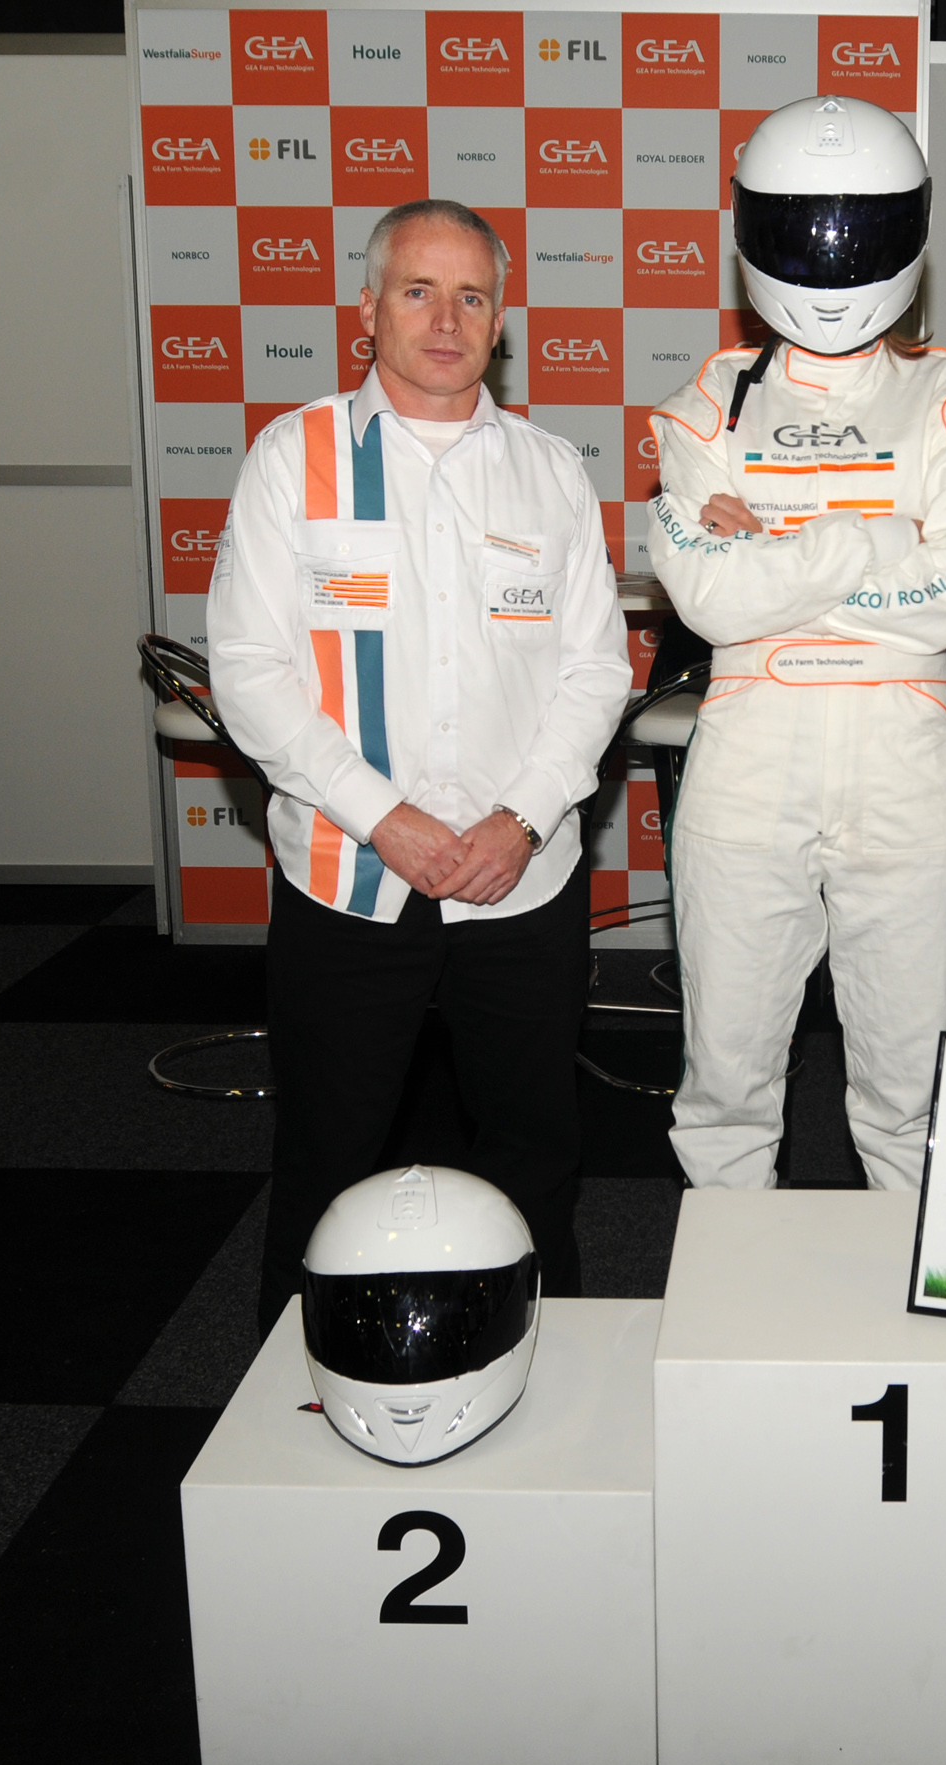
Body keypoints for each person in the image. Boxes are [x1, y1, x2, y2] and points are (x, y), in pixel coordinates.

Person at [208, 199, 632, 1335]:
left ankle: (559, 1391)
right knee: (324, 1164)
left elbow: (596, 673)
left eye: (473, 295)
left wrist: (524, 817)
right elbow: (247, 672)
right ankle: (293, 1412)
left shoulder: (549, 472)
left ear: (501, 320)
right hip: (349, 883)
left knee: (537, 1162)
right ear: (367, 310)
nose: (447, 319)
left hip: (520, 885)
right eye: (418, 290)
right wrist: (381, 816)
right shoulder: (289, 459)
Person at [647, 95, 946, 1191]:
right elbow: (708, 598)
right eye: (803, 225)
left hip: (903, 769)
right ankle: (731, 1335)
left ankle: (910, 1347)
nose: (829, 255)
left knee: (912, 1097)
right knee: (724, 1088)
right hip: (746, 761)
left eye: (858, 226)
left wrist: (783, 545)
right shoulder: (708, 401)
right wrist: (879, 534)